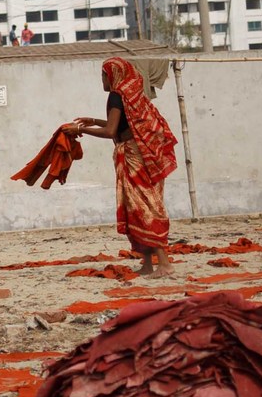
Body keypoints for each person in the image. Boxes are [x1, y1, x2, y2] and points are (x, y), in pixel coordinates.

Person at [64, 57, 178, 273]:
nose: (102, 79)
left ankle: (164, 263)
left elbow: (111, 132)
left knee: (144, 207)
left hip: (134, 157)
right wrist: (94, 121)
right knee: (136, 208)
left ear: (113, 75)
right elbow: (123, 124)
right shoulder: (131, 94)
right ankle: (147, 264)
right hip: (142, 155)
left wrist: (79, 130)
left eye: (104, 75)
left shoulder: (116, 96)